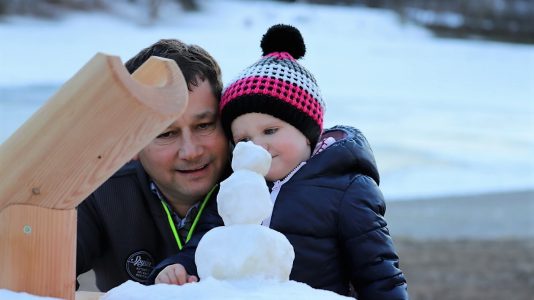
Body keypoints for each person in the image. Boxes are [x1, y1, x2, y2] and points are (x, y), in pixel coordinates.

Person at [155, 24, 409, 299]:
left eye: (270, 131)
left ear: (307, 133)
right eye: (244, 139)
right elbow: (206, 241)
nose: (258, 145)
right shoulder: (237, 187)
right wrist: (177, 266)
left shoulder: (345, 189)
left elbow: (379, 273)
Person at [76, 38, 229, 292]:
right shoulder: (101, 193)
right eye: (166, 133)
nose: (190, 151)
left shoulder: (264, 184)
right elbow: (36, 282)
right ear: (132, 142)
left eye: (204, 125)